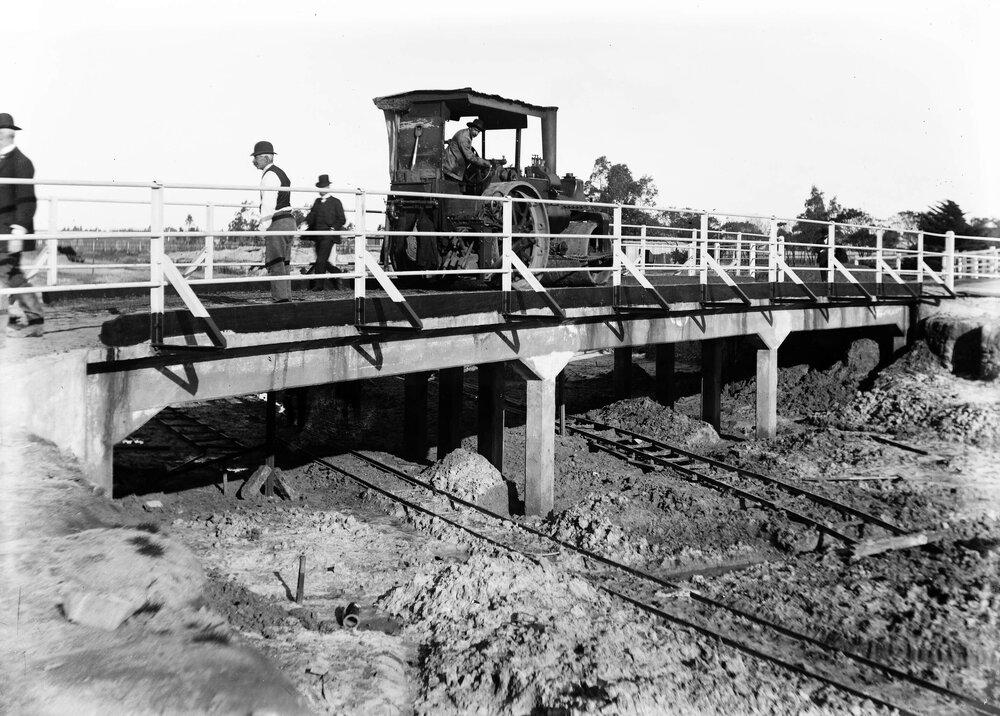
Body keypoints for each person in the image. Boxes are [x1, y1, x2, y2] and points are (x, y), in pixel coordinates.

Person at [0, 113, 44, 338]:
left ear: (4, 135)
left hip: (9, 230)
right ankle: (32, 319)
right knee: (12, 274)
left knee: (8, 273)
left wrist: (18, 231)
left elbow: (27, 201)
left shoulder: (21, 163)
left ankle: (34, 320)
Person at [250, 140, 294, 302]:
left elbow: (268, 203)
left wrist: (263, 228)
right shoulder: (281, 173)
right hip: (289, 220)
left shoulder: (269, 176)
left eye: (257, 157)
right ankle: (285, 296)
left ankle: (280, 299)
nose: (254, 161)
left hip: (277, 220)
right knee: (285, 262)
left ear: (267, 157)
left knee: (275, 261)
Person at [301, 174, 346, 291]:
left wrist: (333, 228)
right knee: (322, 260)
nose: (321, 189)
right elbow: (312, 216)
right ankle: (336, 272)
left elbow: (342, 219)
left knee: (320, 260)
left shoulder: (336, 202)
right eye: (320, 187)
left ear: (327, 187)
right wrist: (304, 223)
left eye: (323, 187)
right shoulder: (317, 202)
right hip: (317, 236)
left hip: (328, 236)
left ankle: (319, 285)